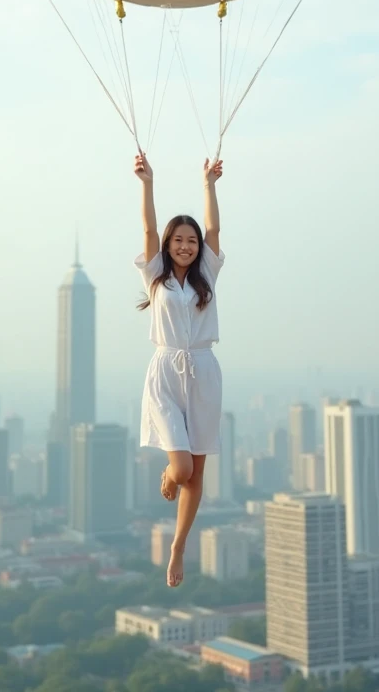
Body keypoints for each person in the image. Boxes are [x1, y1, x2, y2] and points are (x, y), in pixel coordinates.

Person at [134, 151, 224, 587]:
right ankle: (170, 471)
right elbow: (149, 228)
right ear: (169, 246)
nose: (187, 246)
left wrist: (209, 184)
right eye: (179, 241)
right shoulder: (155, 277)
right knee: (184, 470)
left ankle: (178, 545)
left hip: (204, 372)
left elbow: (215, 230)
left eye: (191, 241)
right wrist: (147, 183)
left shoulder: (206, 273)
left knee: (198, 472)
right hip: (167, 373)